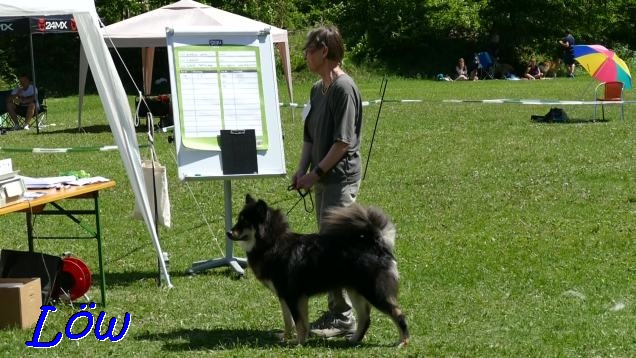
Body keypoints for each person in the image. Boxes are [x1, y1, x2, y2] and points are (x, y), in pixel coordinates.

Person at [291, 25, 363, 339]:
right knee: (327, 246)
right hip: (322, 178)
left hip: (340, 179)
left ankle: (344, 316)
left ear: (324, 51)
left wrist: (316, 174)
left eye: (309, 50)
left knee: (335, 248)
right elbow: (310, 137)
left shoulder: (343, 88)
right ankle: (339, 310)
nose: (305, 55)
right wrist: (301, 170)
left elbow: (343, 142)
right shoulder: (316, 89)